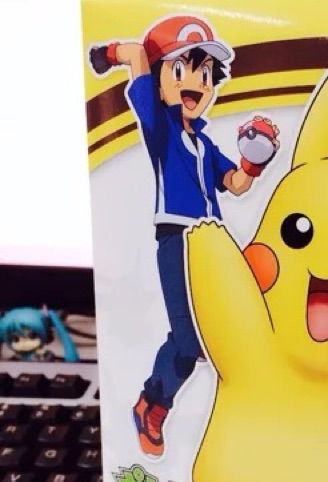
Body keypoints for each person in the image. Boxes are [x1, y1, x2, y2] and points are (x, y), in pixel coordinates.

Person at [90, 16, 280, 457]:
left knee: (222, 336)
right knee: (188, 339)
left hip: (213, 245)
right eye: (181, 70)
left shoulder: (205, 144)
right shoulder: (161, 128)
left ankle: (229, 420)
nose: (196, 84)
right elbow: (138, 55)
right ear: (159, 80)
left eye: (206, 74)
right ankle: (151, 404)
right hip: (176, 238)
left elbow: (235, 184)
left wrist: (255, 159)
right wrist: (107, 55)